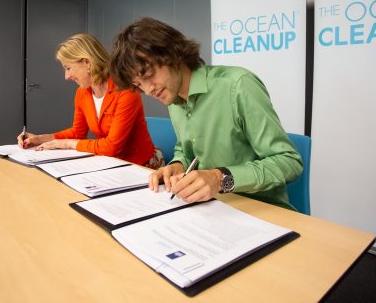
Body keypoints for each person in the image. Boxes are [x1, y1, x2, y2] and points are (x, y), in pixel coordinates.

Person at [109, 17, 303, 209]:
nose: (148, 90)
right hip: (213, 209)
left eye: (148, 75)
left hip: (261, 212)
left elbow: (289, 162)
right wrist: (178, 165)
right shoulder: (172, 99)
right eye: (139, 85)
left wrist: (220, 179)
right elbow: (186, 150)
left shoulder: (238, 86)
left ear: (171, 54)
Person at [18, 33, 163, 168]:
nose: (66, 76)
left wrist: (67, 144)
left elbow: (111, 146)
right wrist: (41, 139)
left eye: (68, 68)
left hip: (140, 166)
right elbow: (77, 132)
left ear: (87, 62)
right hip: (110, 162)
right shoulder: (82, 93)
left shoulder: (125, 91)